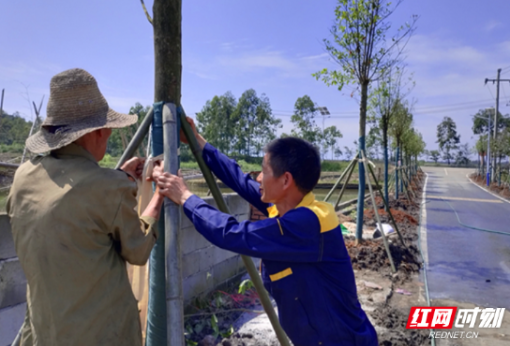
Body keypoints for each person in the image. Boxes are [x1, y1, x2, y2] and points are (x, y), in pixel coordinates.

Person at [156, 118, 378, 346]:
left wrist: (185, 197)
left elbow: (233, 233)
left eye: (264, 171)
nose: (258, 178)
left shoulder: (306, 223)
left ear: (285, 181)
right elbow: (239, 180)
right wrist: (198, 141)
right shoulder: (287, 207)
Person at [7, 68, 164, 346]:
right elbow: (139, 250)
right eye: (105, 129)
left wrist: (122, 177)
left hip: (44, 330)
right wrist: (159, 196)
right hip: (99, 335)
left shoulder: (22, 177)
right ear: (93, 133)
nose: (106, 134)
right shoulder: (106, 188)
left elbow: (77, 197)